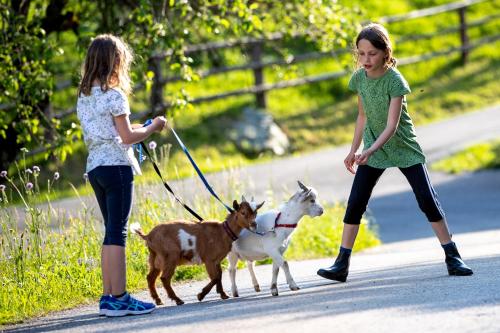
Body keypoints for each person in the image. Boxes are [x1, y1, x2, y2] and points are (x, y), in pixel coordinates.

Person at [317, 23, 473, 282]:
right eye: (361, 53)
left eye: (372, 54)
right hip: (372, 149)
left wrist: (370, 150)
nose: (366, 59)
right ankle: (341, 263)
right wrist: (353, 150)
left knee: (426, 199)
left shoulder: (395, 80)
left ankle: (453, 256)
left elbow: (392, 125)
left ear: (385, 53)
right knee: (355, 202)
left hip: (402, 147)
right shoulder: (358, 79)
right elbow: (362, 116)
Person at [77, 34, 167, 317]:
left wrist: (140, 127)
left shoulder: (84, 95)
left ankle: (108, 297)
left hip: (96, 167)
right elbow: (127, 137)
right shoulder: (115, 95)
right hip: (117, 166)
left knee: (110, 230)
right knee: (118, 231)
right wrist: (153, 127)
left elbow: (113, 131)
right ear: (115, 61)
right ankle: (120, 297)